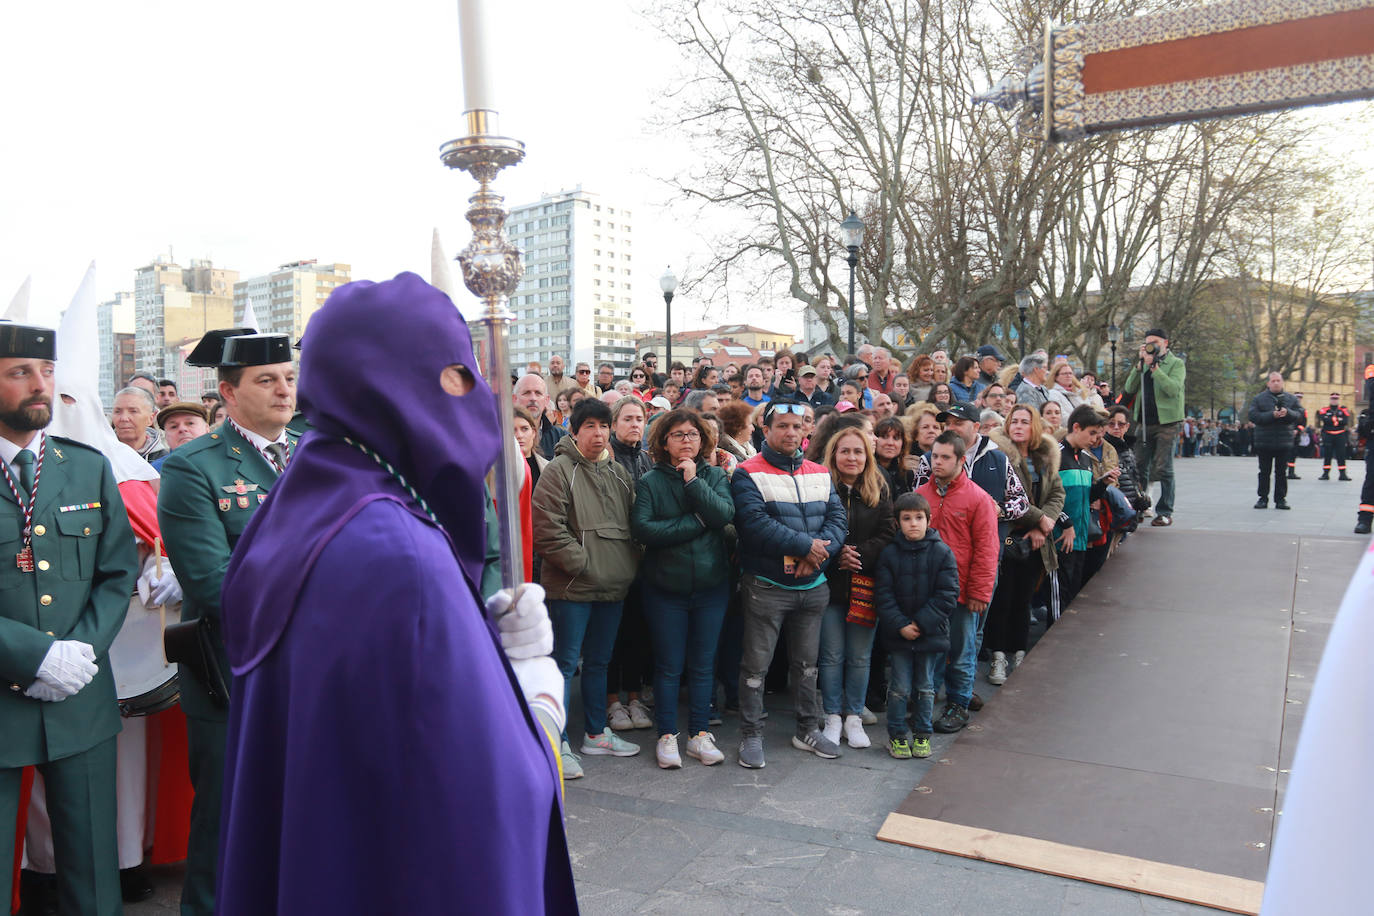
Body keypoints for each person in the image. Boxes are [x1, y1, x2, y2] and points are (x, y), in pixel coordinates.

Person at [214, 272, 575, 913]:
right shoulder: (397, 546)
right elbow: (484, 792)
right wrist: (536, 691)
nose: (475, 397)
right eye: (457, 374)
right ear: (395, 383)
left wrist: (480, 643)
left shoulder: (313, 492)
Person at [157, 329, 300, 916]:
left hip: (316, 671)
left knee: (303, 820)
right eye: (266, 380)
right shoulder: (194, 466)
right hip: (234, 672)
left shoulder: (317, 448)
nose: (283, 390)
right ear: (228, 392)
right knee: (226, 824)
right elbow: (215, 584)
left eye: (289, 378)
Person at [0, 323, 139, 916]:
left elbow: (116, 573)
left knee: (92, 871)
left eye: (48, 372)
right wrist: (33, 656)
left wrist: (77, 654)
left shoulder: (85, 467)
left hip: (79, 695)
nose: (40, 386)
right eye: (19, 373)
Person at [731, 401, 847, 767]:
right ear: (766, 430)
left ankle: (807, 728)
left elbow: (837, 518)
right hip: (766, 586)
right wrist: (805, 547)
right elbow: (754, 523)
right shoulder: (747, 472)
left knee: (807, 664)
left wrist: (819, 553)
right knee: (755, 666)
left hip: (813, 586)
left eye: (797, 426)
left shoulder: (819, 471)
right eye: (782, 426)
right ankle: (751, 734)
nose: (791, 433)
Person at [534, 398, 642, 778]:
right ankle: (556, 742)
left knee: (599, 662)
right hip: (571, 589)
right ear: (574, 431)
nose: (598, 433)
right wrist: (584, 565)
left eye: (602, 426)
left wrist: (626, 567)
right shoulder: (559, 471)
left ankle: (596, 734)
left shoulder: (618, 474)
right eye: (590, 426)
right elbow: (547, 531)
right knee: (564, 665)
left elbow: (634, 525)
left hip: (613, 587)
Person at [631, 409, 735, 768]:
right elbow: (645, 530)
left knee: (704, 665)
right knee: (669, 665)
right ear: (663, 441)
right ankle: (665, 735)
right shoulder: (650, 482)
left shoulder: (715, 476)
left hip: (711, 587)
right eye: (678, 435)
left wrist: (693, 483)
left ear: (703, 439)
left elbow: (723, 515)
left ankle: (699, 734)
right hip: (665, 588)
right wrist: (696, 521)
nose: (686, 440)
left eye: (692, 434)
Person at [818, 426, 895, 750]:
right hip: (830, 584)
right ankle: (833, 715)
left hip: (866, 584)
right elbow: (813, 527)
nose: (852, 457)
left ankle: (853, 716)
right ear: (834, 454)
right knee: (832, 655)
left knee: (860, 656)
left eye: (858, 451)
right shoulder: (821, 487)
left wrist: (858, 553)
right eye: (845, 451)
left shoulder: (879, 487)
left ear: (868, 456)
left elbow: (889, 532)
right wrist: (838, 553)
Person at [917, 432, 998, 734]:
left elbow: (988, 549)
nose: (937, 462)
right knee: (931, 647)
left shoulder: (977, 498)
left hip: (963, 590)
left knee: (962, 650)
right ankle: (927, 696)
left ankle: (959, 703)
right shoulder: (922, 495)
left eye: (945, 457)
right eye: (934, 456)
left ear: (960, 460)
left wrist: (979, 591)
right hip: (928, 592)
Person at [984, 405, 1066, 684]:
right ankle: (997, 656)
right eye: (1013, 421)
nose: (1018, 426)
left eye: (1024, 422)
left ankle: (1019, 652)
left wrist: (1046, 523)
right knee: (1002, 600)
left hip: (1037, 540)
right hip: (1008, 536)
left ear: (1035, 428)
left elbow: (1056, 493)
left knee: (1024, 601)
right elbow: (1003, 499)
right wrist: (1038, 519)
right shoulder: (997, 457)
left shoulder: (1045, 456)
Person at [874, 492, 958, 759]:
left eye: (919, 518)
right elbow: (883, 596)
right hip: (899, 636)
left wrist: (921, 624)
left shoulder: (942, 552)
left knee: (925, 687)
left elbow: (947, 594)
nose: (913, 523)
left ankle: (922, 735)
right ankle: (897, 736)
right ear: (898, 522)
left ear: (929, 520)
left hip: (929, 635)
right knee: (899, 688)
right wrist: (901, 625)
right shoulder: (889, 554)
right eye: (907, 518)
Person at [605, 397, 654, 732]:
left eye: (639, 418)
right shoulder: (604, 458)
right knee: (612, 634)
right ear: (613, 423)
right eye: (628, 418)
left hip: (643, 561)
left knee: (637, 632)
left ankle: (635, 697)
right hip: (612, 557)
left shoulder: (648, 459)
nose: (635, 424)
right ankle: (612, 702)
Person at [1121, 328, 1185, 527]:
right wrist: (1139, 367)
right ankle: (1140, 506)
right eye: (1148, 342)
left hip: (1168, 422)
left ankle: (1165, 511)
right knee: (1139, 465)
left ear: (1165, 343)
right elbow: (1130, 388)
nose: (1152, 346)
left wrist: (1156, 369)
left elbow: (1173, 390)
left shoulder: (1176, 363)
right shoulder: (1144, 364)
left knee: (1163, 466)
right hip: (1145, 421)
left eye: (1155, 342)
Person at [1056, 405, 1109, 609]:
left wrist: (1103, 484)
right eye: (1092, 433)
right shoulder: (1057, 454)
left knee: (1073, 593)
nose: (1095, 439)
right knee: (1059, 597)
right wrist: (1065, 523)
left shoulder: (1086, 458)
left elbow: (1088, 497)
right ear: (1076, 427)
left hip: (1080, 538)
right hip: (1061, 538)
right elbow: (1045, 497)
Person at [1249, 371, 1304, 510]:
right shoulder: (1259, 398)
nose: (1276, 383)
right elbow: (1253, 415)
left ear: (1282, 382)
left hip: (1283, 442)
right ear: (1268, 383)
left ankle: (1280, 499)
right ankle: (1262, 498)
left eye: (1278, 380)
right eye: (1273, 381)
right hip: (1264, 441)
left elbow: (1300, 415)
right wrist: (1272, 415)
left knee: (1281, 472)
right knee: (1264, 472)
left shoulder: (1291, 399)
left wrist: (1288, 413)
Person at [514, 373, 568, 460]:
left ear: (546, 400)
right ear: (514, 399)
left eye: (538, 393)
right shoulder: (502, 437)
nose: (533, 398)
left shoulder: (561, 438)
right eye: (527, 393)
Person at [111, 387, 169, 462]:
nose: (124, 418)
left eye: (133, 411)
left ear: (150, 418)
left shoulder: (163, 462)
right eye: (117, 411)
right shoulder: (101, 455)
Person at [153, 401, 210, 468]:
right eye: (173, 426)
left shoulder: (223, 463)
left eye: (190, 423)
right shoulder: (154, 472)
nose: (182, 429)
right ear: (166, 436)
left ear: (207, 429)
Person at [874, 416, 914, 497]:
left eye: (896, 438)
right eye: (884, 437)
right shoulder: (864, 473)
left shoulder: (907, 475)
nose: (890, 443)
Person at [1317, 392, 1353, 481]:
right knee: (1327, 455)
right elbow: (1323, 419)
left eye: (1336, 399)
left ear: (1338, 400)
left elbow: (1345, 421)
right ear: (1330, 399)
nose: (1334, 400)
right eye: (1333, 399)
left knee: (1341, 455)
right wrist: (1336, 420)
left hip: (1340, 435)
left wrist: (1332, 420)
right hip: (1328, 434)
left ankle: (1342, 474)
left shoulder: (1343, 410)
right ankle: (1325, 473)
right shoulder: (1324, 410)